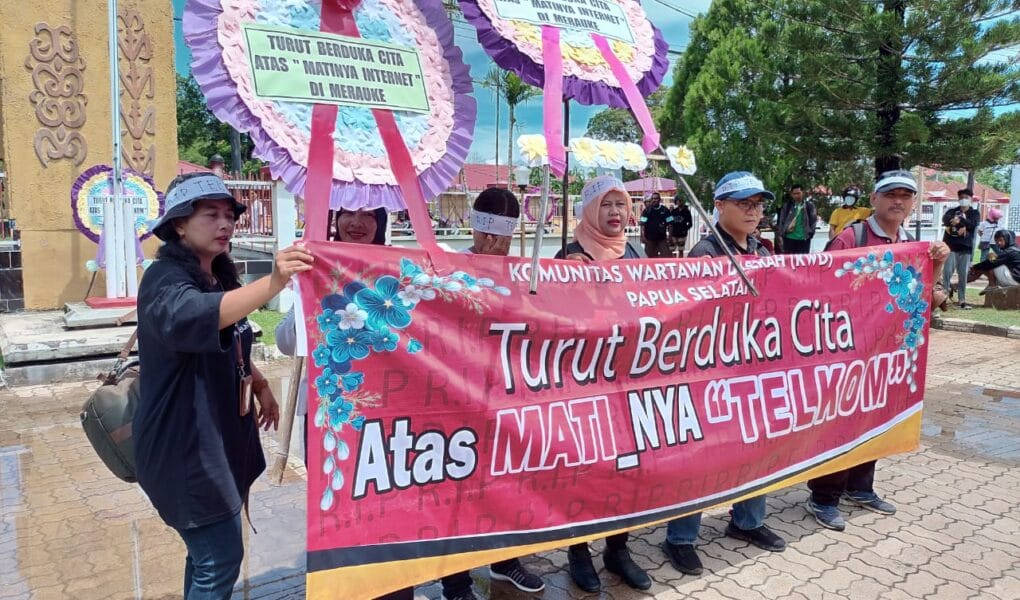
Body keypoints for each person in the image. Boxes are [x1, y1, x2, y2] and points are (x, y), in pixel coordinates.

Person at [134, 172, 313, 599]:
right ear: (179, 224)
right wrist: (273, 284)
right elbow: (200, 315)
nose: (225, 224)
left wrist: (260, 381)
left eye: (229, 215)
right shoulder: (164, 280)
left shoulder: (215, 275)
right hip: (184, 447)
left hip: (213, 440)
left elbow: (231, 335)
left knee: (205, 558)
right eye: (211, 215)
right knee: (219, 559)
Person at [807, 169, 950, 532]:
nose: (897, 201)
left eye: (905, 195)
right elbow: (820, 286)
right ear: (874, 199)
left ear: (914, 203)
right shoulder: (851, 237)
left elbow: (925, 295)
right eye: (890, 194)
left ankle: (860, 487)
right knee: (841, 420)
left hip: (889, 352)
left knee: (876, 416)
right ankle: (823, 496)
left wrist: (940, 265)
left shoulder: (915, 245)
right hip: (847, 350)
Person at [662, 171, 787, 576]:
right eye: (744, 204)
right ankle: (680, 538)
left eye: (758, 204)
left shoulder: (763, 251)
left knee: (757, 447)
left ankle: (748, 521)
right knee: (701, 457)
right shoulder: (704, 254)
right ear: (719, 206)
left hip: (757, 369)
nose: (754, 212)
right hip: (710, 375)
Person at [441, 187, 546, 600]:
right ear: (474, 227)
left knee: (508, 486)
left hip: (509, 398)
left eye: (501, 240)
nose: (493, 247)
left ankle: (505, 561)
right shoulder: (450, 269)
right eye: (487, 238)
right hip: (459, 400)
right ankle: (456, 582)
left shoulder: (525, 273)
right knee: (459, 493)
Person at [555, 176, 647, 592]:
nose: (615, 213)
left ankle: (618, 548)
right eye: (606, 204)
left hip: (629, 381)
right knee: (583, 470)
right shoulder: (570, 256)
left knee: (627, 469)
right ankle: (579, 551)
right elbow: (554, 320)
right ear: (590, 210)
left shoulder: (635, 251)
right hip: (583, 382)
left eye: (620, 204)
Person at [276, 207, 389, 463]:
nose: (357, 222)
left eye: (370, 215)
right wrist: (308, 293)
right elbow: (286, 343)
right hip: (326, 406)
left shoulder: (393, 272)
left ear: (380, 222)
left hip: (383, 405)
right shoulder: (315, 268)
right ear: (335, 219)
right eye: (348, 212)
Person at [942, 188, 980, 309]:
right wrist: (958, 223)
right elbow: (946, 219)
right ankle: (944, 297)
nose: (964, 200)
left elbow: (972, 224)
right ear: (958, 199)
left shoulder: (974, 213)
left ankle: (962, 300)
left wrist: (961, 221)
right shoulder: (952, 211)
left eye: (966, 198)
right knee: (947, 272)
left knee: (963, 274)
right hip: (951, 246)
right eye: (961, 197)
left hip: (965, 248)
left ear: (971, 199)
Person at [776, 184, 817, 254]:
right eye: (794, 194)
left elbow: (813, 221)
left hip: (804, 238)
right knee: (789, 261)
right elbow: (781, 221)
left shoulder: (809, 206)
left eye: (798, 193)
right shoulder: (787, 206)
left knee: (803, 262)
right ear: (791, 194)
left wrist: (810, 234)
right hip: (789, 238)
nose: (796, 195)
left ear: (803, 193)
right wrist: (782, 233)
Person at [640, 192, 673, 258]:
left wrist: (670, 236)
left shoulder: (665, 210)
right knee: (649, 258)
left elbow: (670, 224)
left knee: (666, 257)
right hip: (649, 239)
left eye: (656, 198)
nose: (654, 200)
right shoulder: (646, 211)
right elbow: (642, 225)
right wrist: (642, 236)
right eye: (652, 198)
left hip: (662, 239)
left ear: (659, 200)